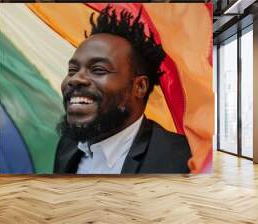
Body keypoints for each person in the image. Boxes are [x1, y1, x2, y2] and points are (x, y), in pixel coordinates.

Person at [54, 5, 191, 174]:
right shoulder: (67, 145)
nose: (75, 79)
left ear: (139, 87)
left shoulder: (182, 159)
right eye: (72, 71)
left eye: (98, 70)